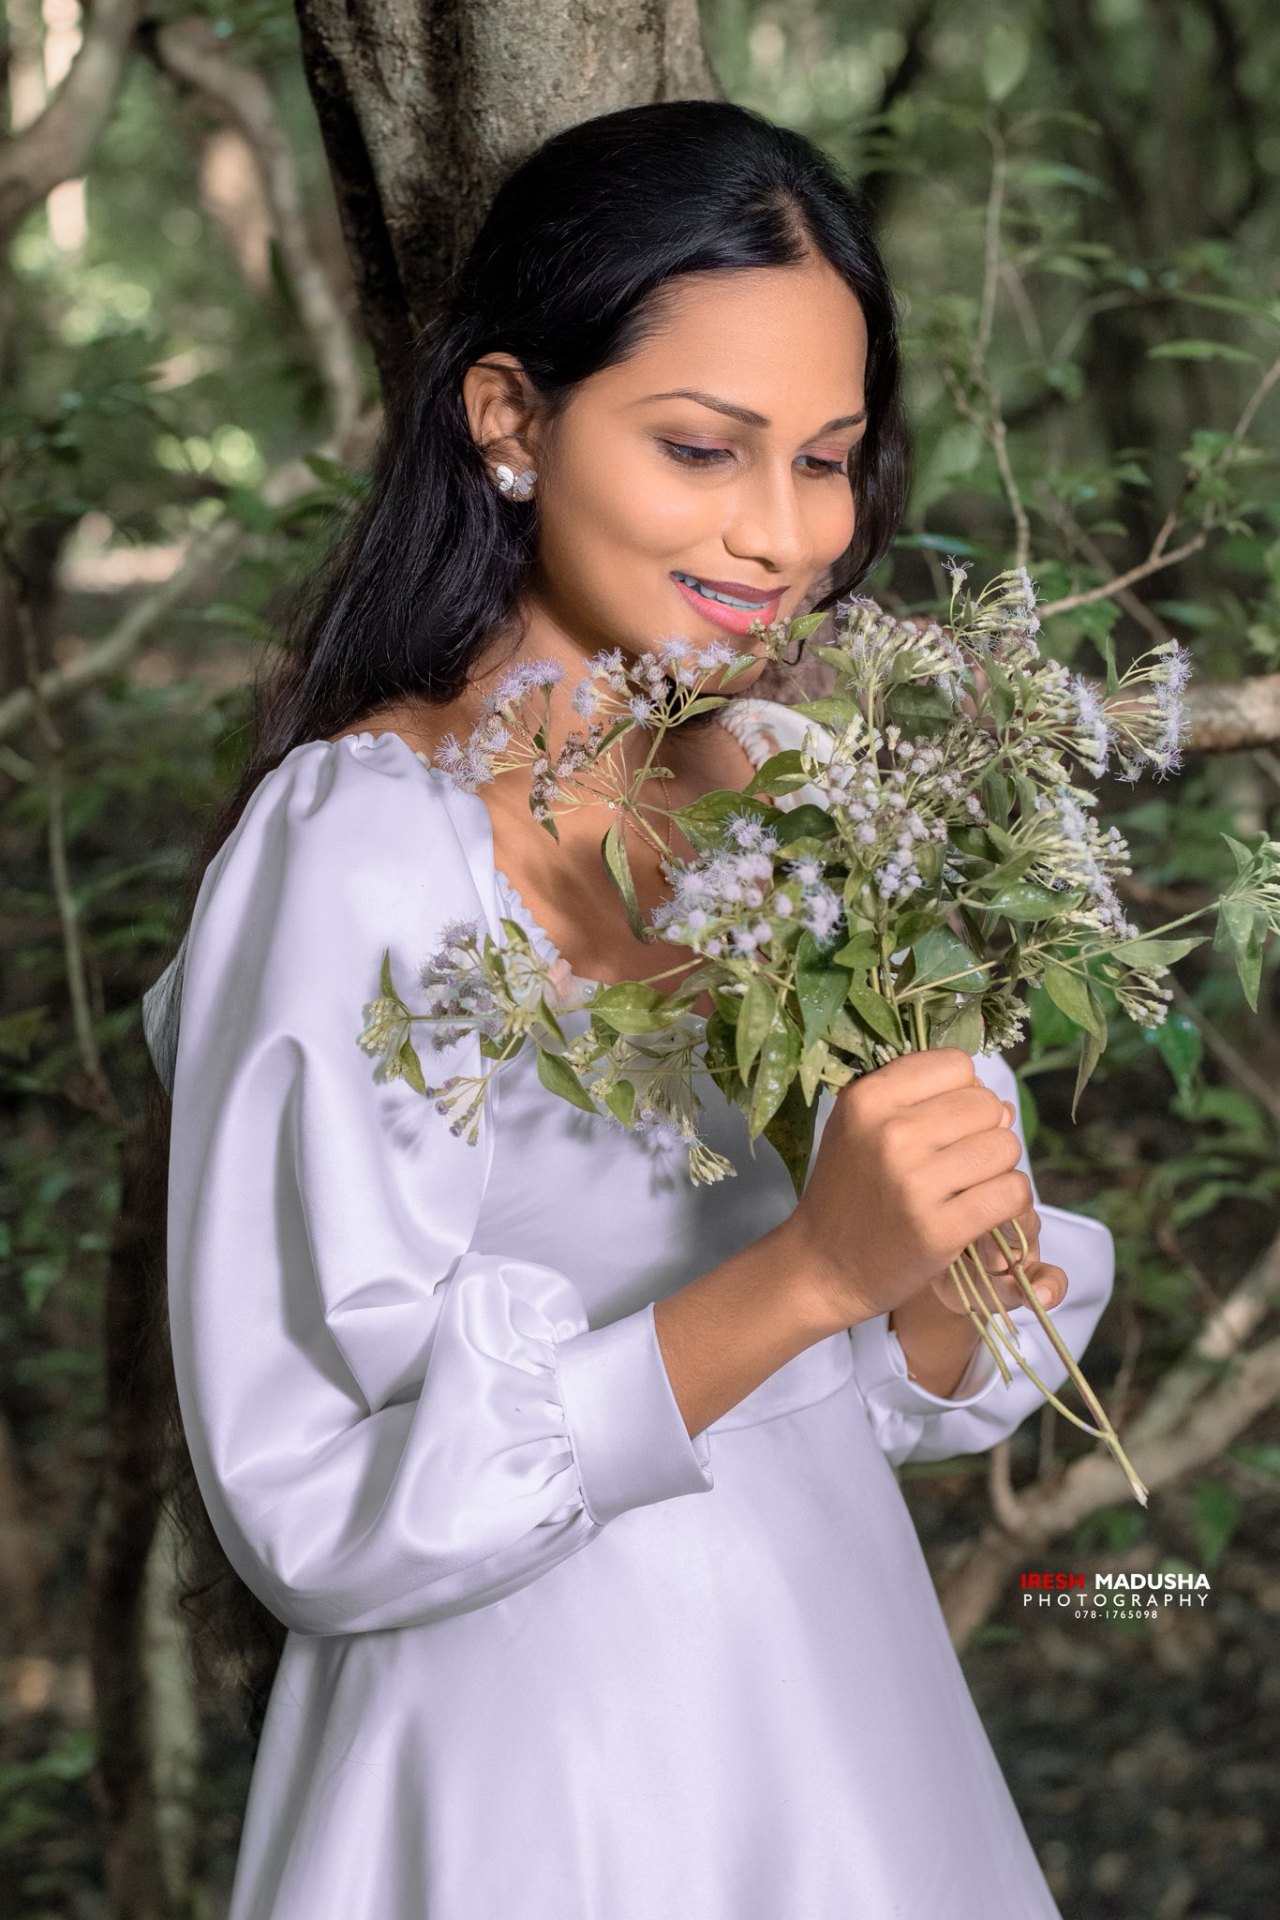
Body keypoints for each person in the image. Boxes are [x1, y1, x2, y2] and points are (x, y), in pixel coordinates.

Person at [141, 98, 1115, 1920]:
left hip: (849, 1715)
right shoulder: (364, 848)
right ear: (510, 419)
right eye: (699, 448)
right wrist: (811, 1272)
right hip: (532, 1765)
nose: (781, 535)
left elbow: (894, 1380)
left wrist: (942, 1282)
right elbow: (307, 1503)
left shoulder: (812, 786)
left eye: (826, 460)